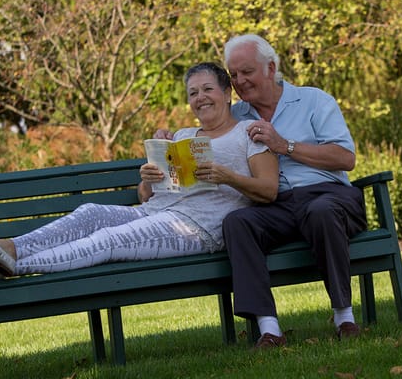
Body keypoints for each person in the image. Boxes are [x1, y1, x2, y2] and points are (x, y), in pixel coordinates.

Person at [0, 62, 279, 278]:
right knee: (91, 212)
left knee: (109, 239)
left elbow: (269, 190)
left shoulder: (248, 132)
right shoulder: (183, 137)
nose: (200, 98)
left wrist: (228, 177)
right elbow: (146, 197)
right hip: (155, 212)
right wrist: (149, 179)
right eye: (193, 93)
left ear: (227, 93)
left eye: (207, 89)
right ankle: (11, 248)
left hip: (196, 228)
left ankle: (15, 265)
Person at [156, 35, 367, 348]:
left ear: (271, 68)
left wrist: (285, 146)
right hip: (275, 204)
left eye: (247, 72)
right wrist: (169, 140)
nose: (240, 81)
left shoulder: (314, 100)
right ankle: (269, 329)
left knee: (321, 212)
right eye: (234, 75)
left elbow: (345, 158)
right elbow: (207, 130)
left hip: (327, 195)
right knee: (238, 222)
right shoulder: (237, 115)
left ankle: (344, 317)